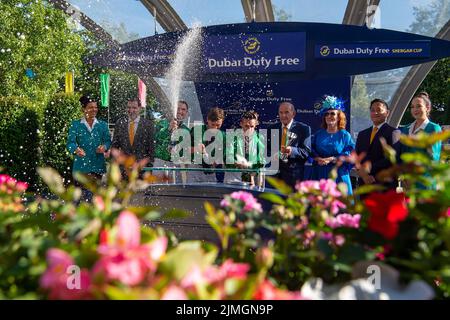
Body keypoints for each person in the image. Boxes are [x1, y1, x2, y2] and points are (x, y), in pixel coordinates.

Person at [66, 95, 111, 200]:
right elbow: (70, 143)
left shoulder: (102, 125)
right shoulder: (75, 125)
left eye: (95, 107)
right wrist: (76, 149)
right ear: (83, 109)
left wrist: (104, 147)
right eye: (90, 107)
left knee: (95, 199)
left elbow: (108, 141)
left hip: (97, 167)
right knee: (79, 200)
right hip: (81, 168)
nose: (94, 110)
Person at [355, 99, 400, 189]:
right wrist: (364, 176)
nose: (375, 113)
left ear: (387, 113)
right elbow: (357, 158)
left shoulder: (394, 132)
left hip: (384, 184)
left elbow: (393, 159)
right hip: (364, 184)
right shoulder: (362, 134)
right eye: (372, 110)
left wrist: (369, 169)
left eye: (379, 110)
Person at [400, 92, 442, 189]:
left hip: (425, 182)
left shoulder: (434, 128)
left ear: (427, 108)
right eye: (412, 107)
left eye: (418, 106)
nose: (415, 109)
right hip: (406, 182)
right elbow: (402, 155)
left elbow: (432, 159)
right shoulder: (406, 129)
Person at [311, 103, 355, 194]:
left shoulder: (344, 135)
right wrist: (317, 158)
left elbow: (349, 152)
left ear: (339, 117)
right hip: (320, 173)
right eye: (326, 114)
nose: (329, 116)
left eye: (332, 114)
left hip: (338, 174)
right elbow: (311, 150)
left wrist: (331, 159)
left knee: (340, 205)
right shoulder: (318, 134)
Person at [269, 102, 311, 187]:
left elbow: (306, 152)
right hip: (274, 176)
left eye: (286, 112)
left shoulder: (304, 129)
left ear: (293, 113)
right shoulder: (272, 128)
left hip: (293, 176)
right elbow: (267, 149)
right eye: (281, 112)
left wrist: (292, 150)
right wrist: (272, 155)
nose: (283, 115)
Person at [111, 98, 154, 177]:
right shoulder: (120, 123)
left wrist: (148, 169)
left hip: (141, 170)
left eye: (134, 108)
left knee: (142, 190)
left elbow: (151, 149)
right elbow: (115, 146)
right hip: (123, 170)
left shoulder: (148, 125)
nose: (131, 110)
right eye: (129, 107)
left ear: (140, 108)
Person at [225, 111, 265, 186]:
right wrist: (237, 163)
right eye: (246, 126)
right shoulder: (232, 137)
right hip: (234, 180)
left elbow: (261, 161)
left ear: (256, 124)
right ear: (241, 124)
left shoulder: (260, 138)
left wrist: (252, 176)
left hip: (252, 182)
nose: (249, 130)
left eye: (252, 127)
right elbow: (227, 157)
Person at [153, 100, 190, 180]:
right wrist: (169, 129)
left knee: (175, 191)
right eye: (178, 108)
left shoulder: (187, 131)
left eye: (183, 109)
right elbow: (156, 138)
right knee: (156, 190)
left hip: (176, 166)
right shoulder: (162, 123)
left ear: (186, 113)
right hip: (160, 163)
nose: (180, 111)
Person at [189, 107, 226, 183]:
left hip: (212, 172)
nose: (215, 128)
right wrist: (196, 149)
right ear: (207, 120)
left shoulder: (223, 136)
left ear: (222, 122)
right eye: (212, 125)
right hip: (195, 170)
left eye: (218, 125)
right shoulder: (197, 130)